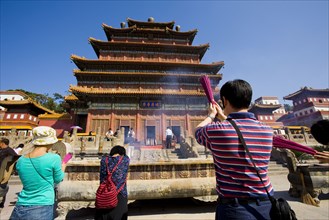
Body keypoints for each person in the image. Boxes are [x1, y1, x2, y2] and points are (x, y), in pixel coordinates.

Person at [195, 79, 274, 220]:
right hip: (267, 204)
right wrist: (223, 116)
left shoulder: (217, 130)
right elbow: (238, 128)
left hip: (235, 208)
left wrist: (211, 115)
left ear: (224, 100)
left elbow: (197, 131)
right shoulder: (267, 130)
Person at [10, 126, 67, 220]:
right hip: (42, 205)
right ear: (50, 141)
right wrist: (64, 165)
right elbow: (58, 179)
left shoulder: (21, 160)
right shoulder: (54, 158)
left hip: (20, 206)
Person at [95, 145, 130, 220]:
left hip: (104, 194)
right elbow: (127, 157)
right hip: (120, 194)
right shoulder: (125, 160)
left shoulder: (104, 160)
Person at [0, 138, 19, 209]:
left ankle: (1, 202)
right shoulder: (1, 150)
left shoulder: (9, 150)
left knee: (2, 186)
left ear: (3, 143)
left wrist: (10, 167)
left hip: (4, 172)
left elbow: (16, 158)